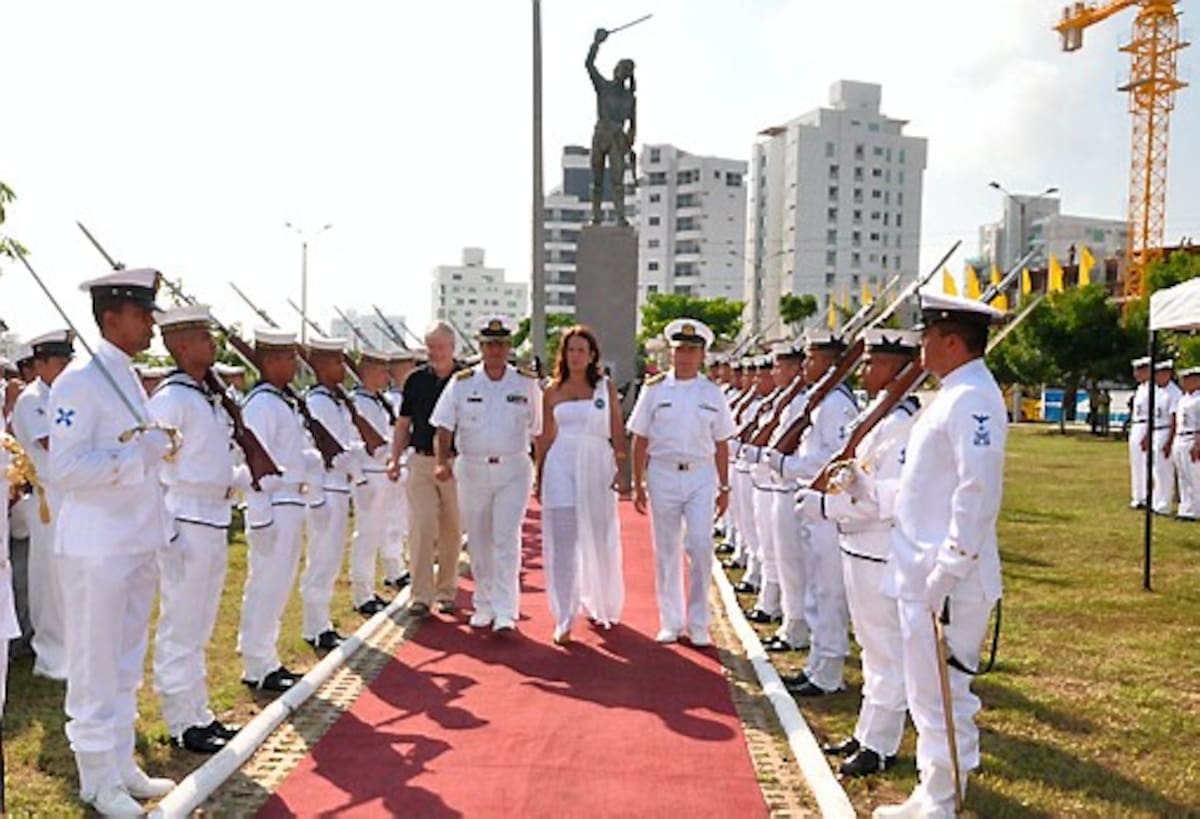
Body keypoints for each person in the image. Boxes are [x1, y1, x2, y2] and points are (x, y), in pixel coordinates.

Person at [872, 293, 1007, 819]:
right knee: (927, 695)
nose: (920, 345)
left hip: (947, 579)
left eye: (927, 334)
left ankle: (945, 802)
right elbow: (922, 486)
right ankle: (931, 794)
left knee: (946, 695)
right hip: (922, 571)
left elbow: (977, 492)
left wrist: (948, 570)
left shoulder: (972, 398)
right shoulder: (953, 394)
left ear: (952, 340)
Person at [48, 268, 177, 815]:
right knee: (94, 664)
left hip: (132, 539)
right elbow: (67, 468)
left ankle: (120, 762)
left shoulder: (122, 373)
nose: (151, 324)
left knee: (125, 662)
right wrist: (134, 459)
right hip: (96, 546)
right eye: (143, 314)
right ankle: (96, 779)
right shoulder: (79, 380)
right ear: (111, 317)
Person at [795, 328, 922, 777]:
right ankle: (867, 730)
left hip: (880, 549)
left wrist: (826, 506)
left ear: (899, 369)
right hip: (857, 546)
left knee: (886, 649)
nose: (865, 370)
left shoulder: (904, 424)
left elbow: (887, 498)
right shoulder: (878, 416)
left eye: (874, 362)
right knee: (871, 648)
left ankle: (881, 744)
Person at [148, 305, 249, 753]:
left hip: (212, 515)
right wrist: (164, 528)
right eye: (203, 337)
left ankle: (199, 712)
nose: (212, 344)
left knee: (201, 623)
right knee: (180, 623)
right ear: (180, 344)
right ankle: (179, 720)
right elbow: (151, 466)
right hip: (185, 517)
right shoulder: (171, 398)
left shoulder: (205, 394)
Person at [431, 316, 543, 633]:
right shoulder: (463, 382)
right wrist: (442, 461)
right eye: (489, 344)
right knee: (478, 539)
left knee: (506, 537)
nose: (496, 349)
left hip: (514, 468)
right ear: (480, 347)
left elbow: (538, 429)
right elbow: (443, 424)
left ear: (509, 347)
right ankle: (483, 603)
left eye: (501, 344)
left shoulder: (525, 383)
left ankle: (506, 610)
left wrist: (543, 469)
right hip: (473, 467)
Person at [628, 318, 735, 646]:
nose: (685, 356)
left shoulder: (712, 393)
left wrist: (725, 486)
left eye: (692, 350)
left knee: (701, 546)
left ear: (702, 354)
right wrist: (637, 482)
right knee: (666, 548)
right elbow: (640, 437)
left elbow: (721, 442)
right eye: (680, 350)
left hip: (701, 475)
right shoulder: (655, 390)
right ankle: (671, 620)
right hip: (663, 472)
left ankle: (699, 621)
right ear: (670, 353)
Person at [772, 330, 859, 694]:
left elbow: (836, 460)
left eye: (812, 358)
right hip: (814, 505)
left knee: (828, 592)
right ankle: (817, 666)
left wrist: (785, 464)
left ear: (832, 362)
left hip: (829, 508)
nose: (805, 365)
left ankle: (829, 672)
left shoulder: (837, 403)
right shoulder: (822, 400)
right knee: (816, 588)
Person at [238, 328, 322, 693]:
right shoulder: (261, 404)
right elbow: (256, 464)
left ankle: (266, 658)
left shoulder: (280, 400)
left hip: (290, 499)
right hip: (273, 503)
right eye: (288, 357)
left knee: (278, 584)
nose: (294, 364)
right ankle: (256, 663)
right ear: (270, 360)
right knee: (265, 583)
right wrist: (260, 515)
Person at [534, 325, 626, 644]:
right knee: (563, 541)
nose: (576, 356)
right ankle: (564, 614)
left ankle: (599, 600)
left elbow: (616, 427)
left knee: (598, 536)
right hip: (561, 462)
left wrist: (621, 466)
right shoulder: (551, 390)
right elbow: (545, 435)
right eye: (570, 350)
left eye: (581, 351)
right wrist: (539, 472)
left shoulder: (605, 387)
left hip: (597, 461)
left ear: (591, 356)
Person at [386, 323, 462, 619]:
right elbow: (403, 423)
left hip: (456, 463)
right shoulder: (415, 380)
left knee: (452, 528)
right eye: (430, 347)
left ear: (452, 347)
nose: (435, 352)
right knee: (422, 525)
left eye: (440, 346)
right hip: (421, 460)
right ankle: (420, 595)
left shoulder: (465, 379)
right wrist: (394, 458)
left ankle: (446, 592)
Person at [10, 329, 74, 680]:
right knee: (50, 579)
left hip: (71, 496)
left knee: (70, 576)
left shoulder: (65, 395)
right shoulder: (32, 398)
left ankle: (72, 646)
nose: (66, 369)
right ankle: (52, 654)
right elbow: (54, 443)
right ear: (41, 364)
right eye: (60, 363)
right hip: (47, 499)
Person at [302, 337, 364, 649]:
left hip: (338, 485)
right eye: (337, 361)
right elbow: (317, 449)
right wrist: (316, 498)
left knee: (330, 560)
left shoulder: (334, 400)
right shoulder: (318, 402)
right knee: (321, 559)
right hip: (324, 487)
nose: (343, 367)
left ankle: (321, 622)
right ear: (322, 365)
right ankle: (314, 626)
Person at [349, 349, 399, 615]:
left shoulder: (378, 400)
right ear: (367, 371)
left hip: (383, 473)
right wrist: (359, 478)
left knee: (376, 533)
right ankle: (361, 593)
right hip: (369, 475)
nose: (386, 375)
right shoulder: (356, 402)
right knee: (366, 535)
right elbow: (351, 443)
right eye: (381, 369)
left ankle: (367, 589)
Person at [585, 26, 636, 225]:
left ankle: (620, 216)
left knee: (617, 182)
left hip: (617, 139)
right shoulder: (603, 88)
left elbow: (633, 125)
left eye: (624, 70)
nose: (620, 72)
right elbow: (589, 64)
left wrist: (629, 144)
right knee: (597, 180)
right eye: (619, 68)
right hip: (600, 136)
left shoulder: (629, 98)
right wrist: (596, 44)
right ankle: (596, 216)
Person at [1150, 359, 1180, 515]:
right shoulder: (1158, 391)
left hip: (1165, 430)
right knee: (1156, 470)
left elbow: (1175, 418)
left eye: (1160, 373)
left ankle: (1164, 504)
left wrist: (1170, 441)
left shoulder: (1174, 392)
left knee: (1165, 471)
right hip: (1156, 430)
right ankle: (1157, 501)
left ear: (1167, 374)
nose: (1157, 377)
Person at [1173, 367, 1200, 521]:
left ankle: (1196, 510)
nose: (1183, 382)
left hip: (1192, 438)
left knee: (1194, 476)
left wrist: (1198, 444)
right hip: (1181, 437)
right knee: (1183, 476)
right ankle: (1186, 508)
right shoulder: (1184, 398)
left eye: (1187, 379)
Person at [1128, 357, 1151, 509]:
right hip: (1136, 425)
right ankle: (1138, 496)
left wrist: (1147, 434)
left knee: (1145, 463)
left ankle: (1147, 496)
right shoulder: (1140, 388)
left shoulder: (1152, 389)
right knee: (1136, 462)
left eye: (1139, 371)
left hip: (1145, 425)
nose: (1136, 374)